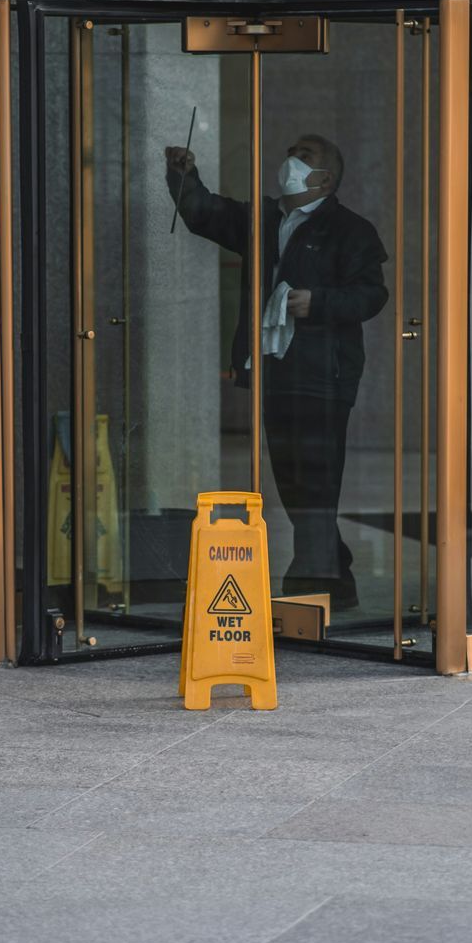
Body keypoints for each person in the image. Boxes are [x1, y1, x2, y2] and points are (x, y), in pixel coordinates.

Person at [165, 134, 387, 611]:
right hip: (276, 370)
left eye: (304, 156)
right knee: (293, 479)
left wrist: (318, 303)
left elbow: (372, 295)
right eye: (292, 152)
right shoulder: (265, 218)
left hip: (323, 375)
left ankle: (310, 586)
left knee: (318, 480)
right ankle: (335, 576)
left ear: (324, 178)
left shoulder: (350, 230)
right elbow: (206, 212)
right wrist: (184, 175)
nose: (291, 160)